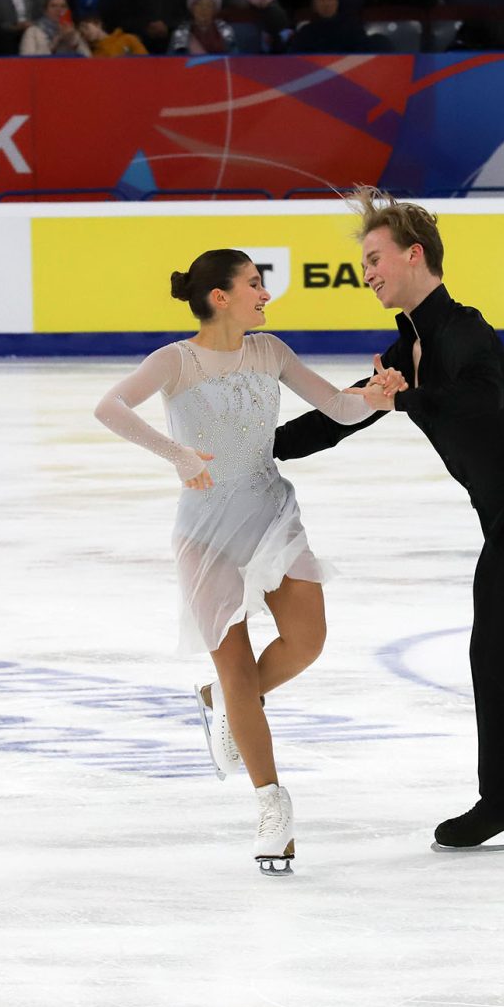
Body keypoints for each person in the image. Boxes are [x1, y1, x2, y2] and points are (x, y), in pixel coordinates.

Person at [271, 189, 504, 867]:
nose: (368, 271)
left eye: (376, 257)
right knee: (489, 656)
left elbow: (481, 402)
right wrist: (261, 448)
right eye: (363, 262)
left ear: (415, 255)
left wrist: (407, 397)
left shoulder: (464, 331)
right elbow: (340, 414)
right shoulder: (409, 346)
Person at [93, 250, 385, 874]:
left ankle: (221, 698)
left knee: (306, 641)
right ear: (221, 296)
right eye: (255, 284)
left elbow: (335, 407)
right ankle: (272, 806)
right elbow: (110, 408)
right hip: (206, 533)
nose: (264, 295)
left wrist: (375, 396)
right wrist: (178, 454)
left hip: (272, 516)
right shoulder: (177, 360)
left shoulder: (270, 351)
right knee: (235, 666)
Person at [287, 0, 372, 52]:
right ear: (314, 5)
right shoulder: (306, 32)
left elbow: (362, 56)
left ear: (337, 2)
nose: (326, 4)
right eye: (321, 0)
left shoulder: (353, 27)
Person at [170, 0, 239, 53]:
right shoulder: (181, 32)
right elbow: (171, 60)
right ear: (192, 9)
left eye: (208, 6)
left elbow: (234, 58)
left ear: (214, 11)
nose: (203, 10)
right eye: (199, 5)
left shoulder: (225, 30)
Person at [20, 0, 91, 53]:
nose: (59, 10)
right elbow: (27, 62)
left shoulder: (73, 32)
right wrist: (56, 41)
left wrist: (73, 40)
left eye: (63, 6)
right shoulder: (32, 32)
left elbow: (88, 61)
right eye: (53, 6)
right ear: (45, 11)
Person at [79, 11, 150, 55]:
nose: (85, 33)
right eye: (82, 33)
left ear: (98, 24)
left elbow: (145, 61)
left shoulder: (128, 39)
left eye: (86, 27)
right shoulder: (96, 55)